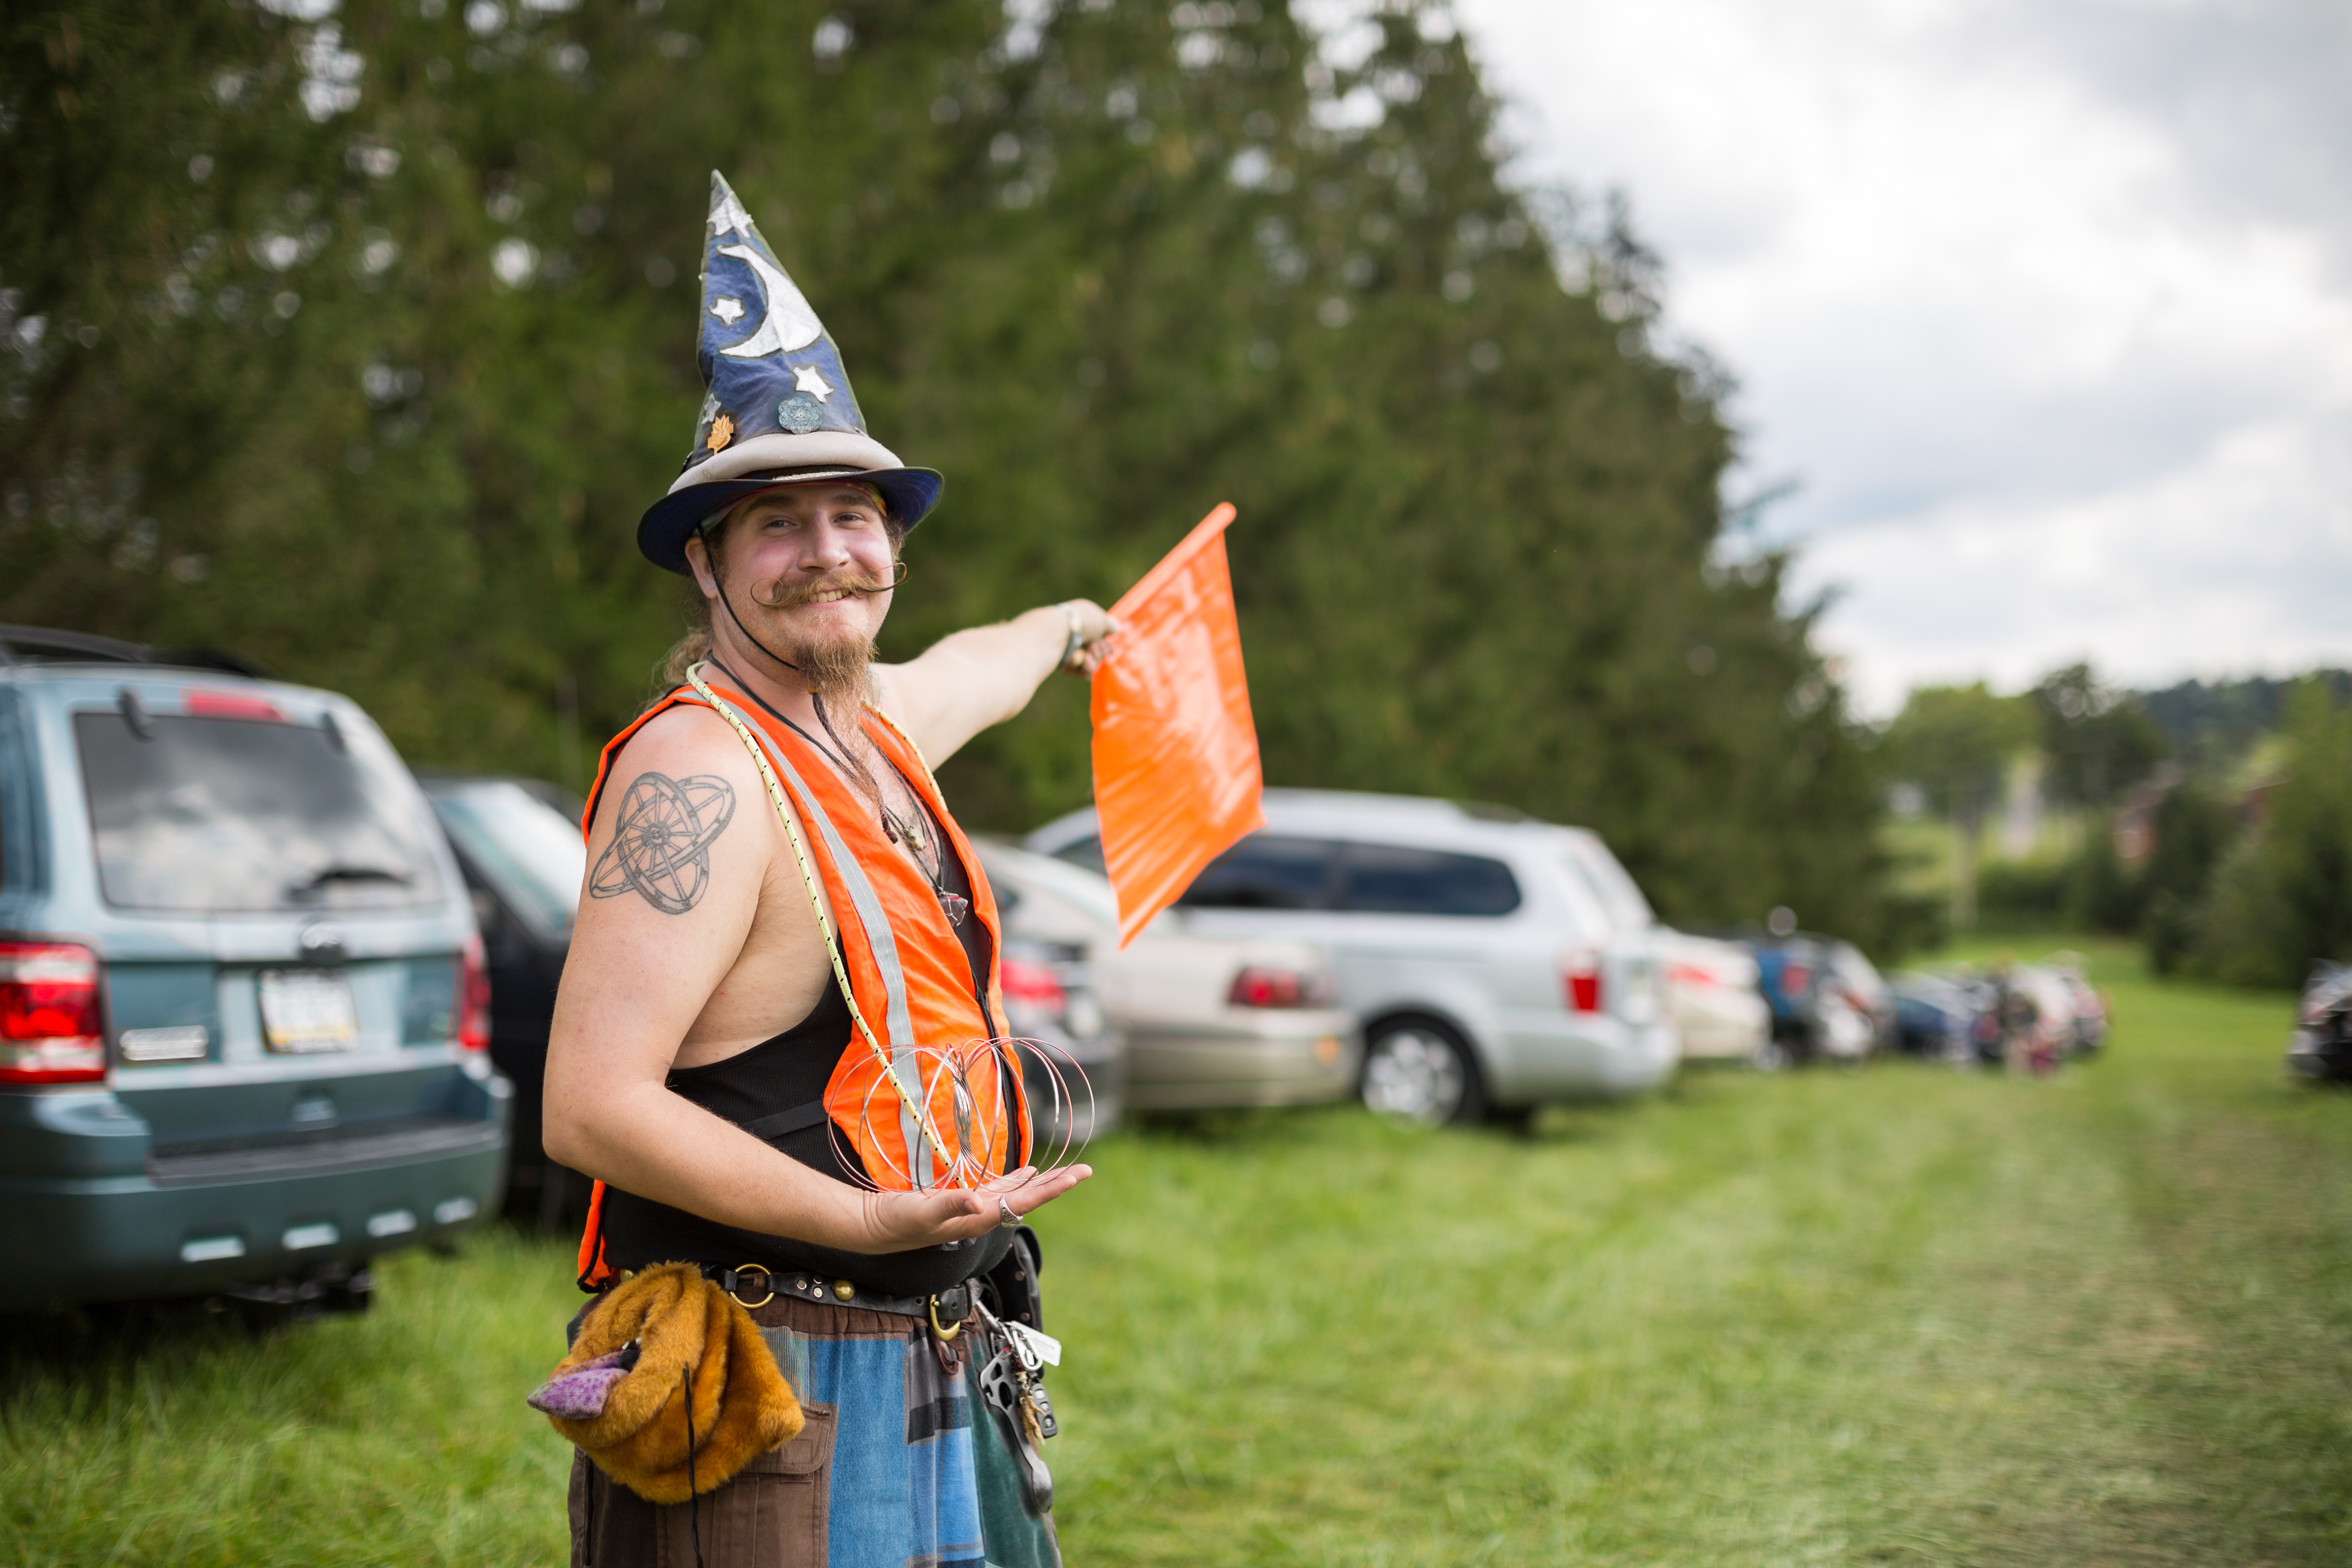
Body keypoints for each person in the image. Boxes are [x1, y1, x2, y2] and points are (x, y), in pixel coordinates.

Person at [542, 172, 1113, 1568]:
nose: (824, 554)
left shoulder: (873, 720)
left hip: (941, 1341)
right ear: (709, 566)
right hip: (773, 1368)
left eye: (852, 517)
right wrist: (866, 1217)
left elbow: (980, 662)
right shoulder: (699, 772)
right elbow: (591, 1106)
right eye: (777, 524)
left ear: (892, 544)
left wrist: (1074, 625)